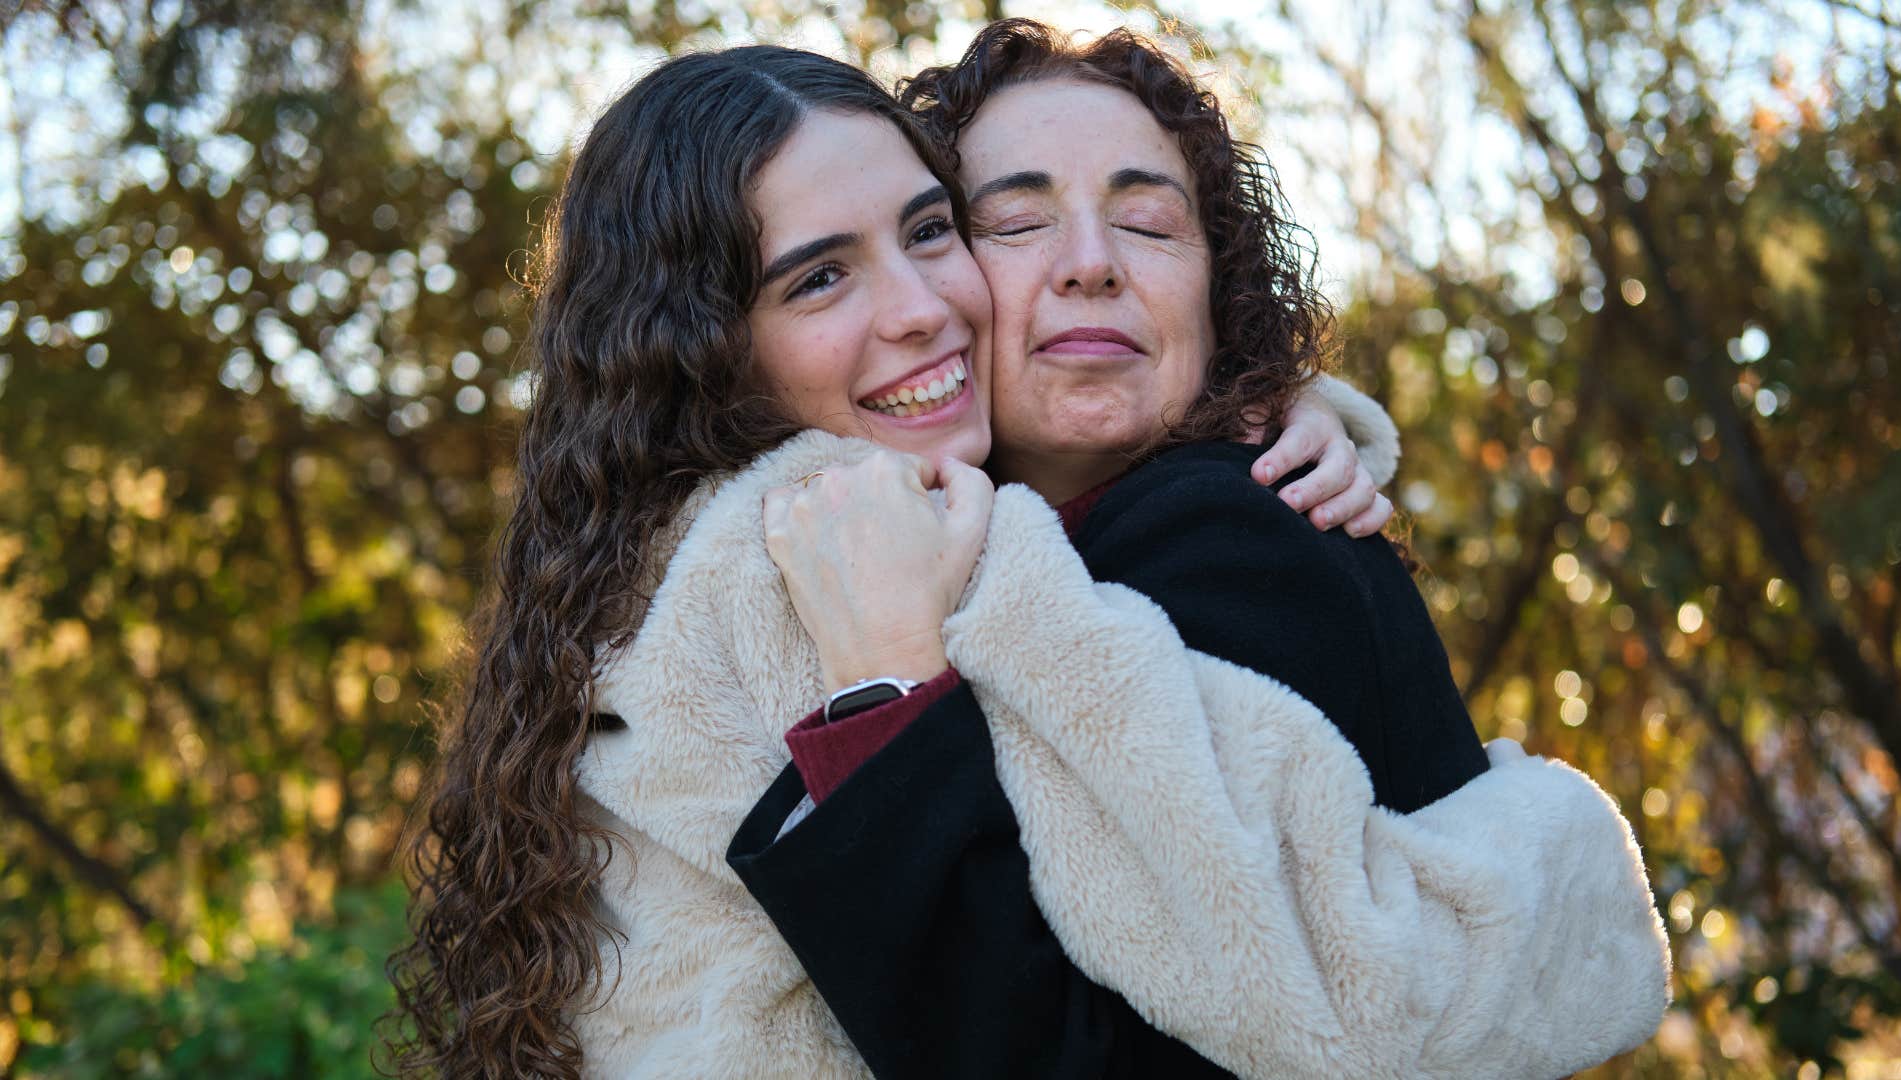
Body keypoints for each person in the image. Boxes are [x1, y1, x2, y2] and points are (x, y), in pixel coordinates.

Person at [382, 42, 1394, 1079]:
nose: (920, 308)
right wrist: (887, 698)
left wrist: (1285, 407)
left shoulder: (1196, 515)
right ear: (701, 347)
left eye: (928, 231)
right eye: (819, 278)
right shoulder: (786, 559)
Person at [722, 20, 1668, 1079]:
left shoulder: (1234, 531)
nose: (1091, 265)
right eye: (1017, 222)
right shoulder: (987, 547)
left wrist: (882, 701)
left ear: (1217, 300)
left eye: (1149, 223)